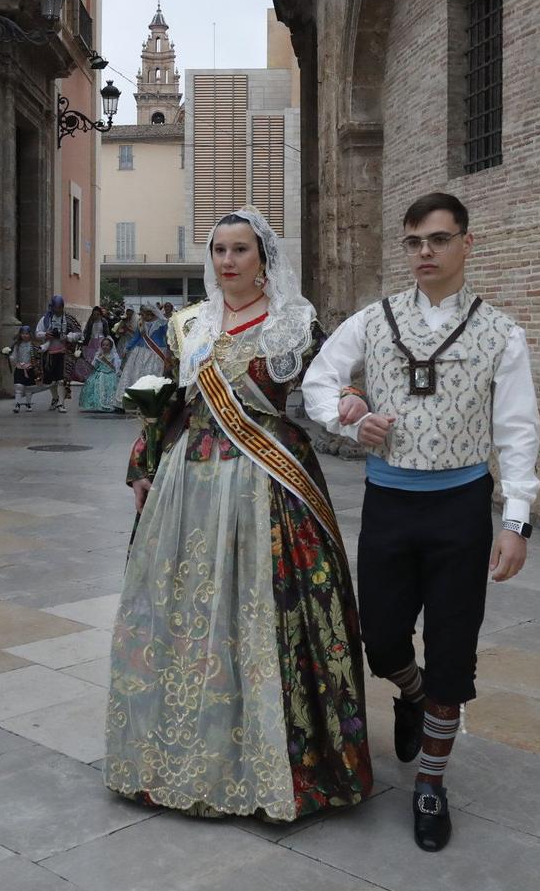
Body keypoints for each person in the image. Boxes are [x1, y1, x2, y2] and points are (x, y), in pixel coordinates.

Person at [106, 208, 372, 822]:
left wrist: (355, 401)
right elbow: (168, 400)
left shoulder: (293, 323)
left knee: (267, 606)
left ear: (263, 258)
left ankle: (285, 757)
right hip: (190, 477)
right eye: (220, 250)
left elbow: (326, 384)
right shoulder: (188, 324)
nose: (228, 261)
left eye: (241, 250)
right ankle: (186, 750)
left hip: (269, 478)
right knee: (189, 610)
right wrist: (143, 464)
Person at [302, 191, 539, 853]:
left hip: (462, 506)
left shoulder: (502, 333)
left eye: (438, 239)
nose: (425, 252)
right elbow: (320, 380)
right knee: (379, 637)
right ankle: (408, 692)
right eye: (414, 242)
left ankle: (430, 782)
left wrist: (516, 520)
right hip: (390, 501)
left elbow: (518, 431)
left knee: (453, 652)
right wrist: (348, 413)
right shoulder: (373, 321)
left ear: (468, 243)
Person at [111, 306, 170, 410]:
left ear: (153, 314)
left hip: (156, 353)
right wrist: (127, 348)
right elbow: (136, 337)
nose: (145, 317)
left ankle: (151, 402)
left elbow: (168, 337)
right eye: (143, 314)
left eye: (147, 314)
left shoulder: (162, 323)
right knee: (134, 375)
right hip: (140, 352)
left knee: (152, 375)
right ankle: (129, 401)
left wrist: (169, 352)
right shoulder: (140, 323)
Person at [35, 294, 80, 413]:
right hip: (49, 353)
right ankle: (55, 398)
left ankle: (61, 403)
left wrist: (67, 337)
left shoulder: (69, 319)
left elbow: (78, 333)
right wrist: (46, 334)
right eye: (56, 307)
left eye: (60, 307)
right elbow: (37, 332)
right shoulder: (45, 319)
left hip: (64, 353)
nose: (58, 309)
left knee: (62, 379)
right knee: (51, 380)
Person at [78, 324, 123, 413]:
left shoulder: (114, 355)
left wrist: (117, 373)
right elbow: (94, 365)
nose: (105, 347)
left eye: (107, 345)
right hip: (100, 373)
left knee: (111, 387)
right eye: (103, 345)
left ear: (111, 346)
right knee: (95, 384)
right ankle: (97, 404)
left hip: (111, 374)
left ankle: (111, 404)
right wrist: (96, 360)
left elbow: (116, 366)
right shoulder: (98, 354)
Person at [69, 304, 109, 387]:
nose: (96, 316)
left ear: (100, 314)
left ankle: (99, 376)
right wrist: (84, 341)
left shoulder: (104, 322)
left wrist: (107, 342)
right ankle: (88, 376)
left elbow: (106, 333)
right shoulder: (91, 322)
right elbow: (86, 332)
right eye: (94, 314)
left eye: (98, 314)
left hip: (101, 342)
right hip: (91, 342)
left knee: (100, 359)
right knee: (89, 359)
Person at [9, 324, 40, 411]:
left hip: (30, 368)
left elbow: (37, 356)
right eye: (23, 333)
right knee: (18, 386)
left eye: (26, 333)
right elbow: (14, 355)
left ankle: (28, 404)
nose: (25, 335)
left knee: (29, 387)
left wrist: (34, 364)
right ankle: (17, 404)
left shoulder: (33, 345)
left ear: (30, 334)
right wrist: (10, 357)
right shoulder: (17, 345)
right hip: (20, 368)